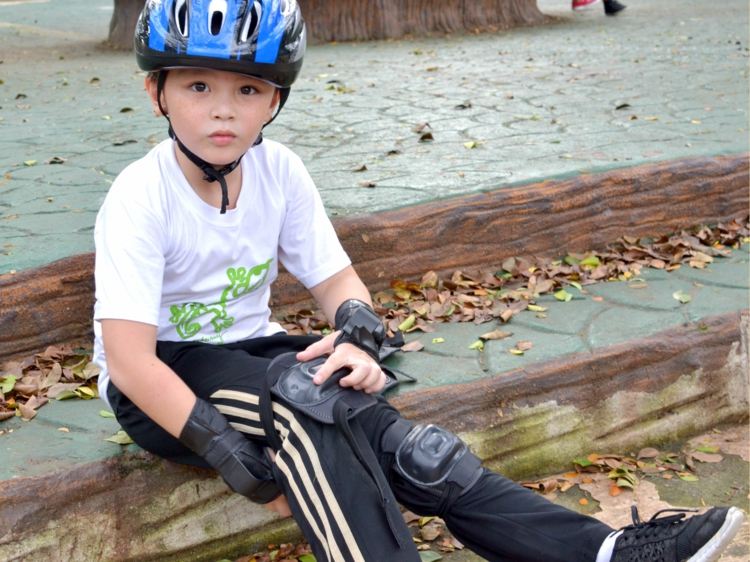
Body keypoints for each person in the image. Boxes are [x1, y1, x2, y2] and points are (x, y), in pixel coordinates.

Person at [93, 1, 743, 561]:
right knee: (309, 410)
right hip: (159, 383)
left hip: (254, 356)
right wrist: (226, 449)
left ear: (276, 99)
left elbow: (336, 279)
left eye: (248, 90)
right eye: (198, 87)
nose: (223, 111)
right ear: (158, 92)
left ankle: (597, 551)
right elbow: (128, 360)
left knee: (416, 451)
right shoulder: (139, 196)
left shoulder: (279, 171)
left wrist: (356, 336)